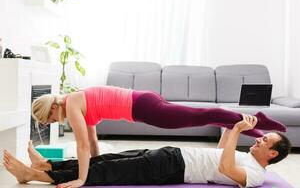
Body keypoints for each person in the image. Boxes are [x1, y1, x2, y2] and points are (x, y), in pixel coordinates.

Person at [31, 86, 287, 187]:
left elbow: (82, 144)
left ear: (54, 108)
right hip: (144, 102)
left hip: (144, 108)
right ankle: (255, 123)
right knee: (205, 117)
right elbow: (92, 143)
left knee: (202, 116)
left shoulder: (72, 103)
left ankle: (256, 121)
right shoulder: (79, 101)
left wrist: (83, 179)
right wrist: (96, 170)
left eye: (51, 118)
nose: (56, 121)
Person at [3, 114, 291, 188]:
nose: (259, 140)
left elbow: (226, 169)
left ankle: (34, 176)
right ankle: (49, 166)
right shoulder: (248, 157)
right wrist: (230, 128)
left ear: (273, 154)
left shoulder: (255, 175)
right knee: (105, 158)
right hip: (173, 154)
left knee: (108, 172)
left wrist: (238, 134)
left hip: (175, 168)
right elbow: (219, 156)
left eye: (265, 141)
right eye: (261, 137)